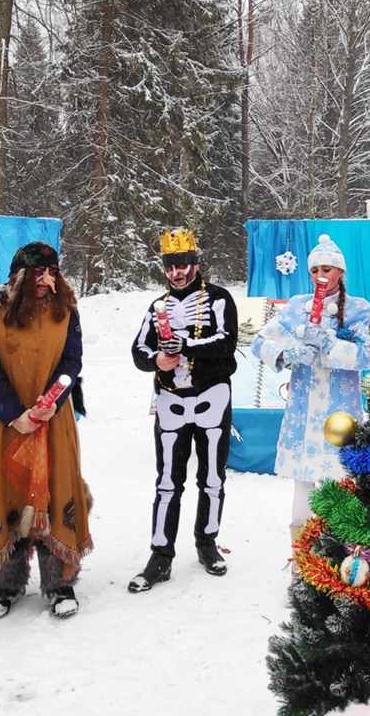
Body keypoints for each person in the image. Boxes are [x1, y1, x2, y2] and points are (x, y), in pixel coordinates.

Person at [0, 241, 90, 620]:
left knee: (55, 489)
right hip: (4, 422)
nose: (48, 280)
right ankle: (6, 584)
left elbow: (72, 360)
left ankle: (59, 583)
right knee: (5, 490)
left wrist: (54, 398)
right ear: (19, 275)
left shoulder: (66, 309)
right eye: (38, 273)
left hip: (52, 420)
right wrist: (15, 413)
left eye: (53, 272)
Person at [253, 235, 370, 548]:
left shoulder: (359, 309)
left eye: (328, 268)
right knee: (302, 482)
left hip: (341, 411)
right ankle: (302, 557)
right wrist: (289, 354)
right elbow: (260, 342)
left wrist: (331, 346)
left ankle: (342, 552)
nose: (320, 275)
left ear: (341, 271)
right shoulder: (297, 306)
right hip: (303, 409)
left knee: (342, 480)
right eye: (315, 270)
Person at [129, 228, 239, 592]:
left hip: (212, 397)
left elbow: (226, 342)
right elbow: (138, 351)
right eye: (170, 265)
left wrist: (187, 345)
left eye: (183, 264)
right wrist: (157, 359)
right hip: (171, 400)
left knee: (211, 478)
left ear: (196, 262)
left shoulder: (219, 298)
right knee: (166, 482)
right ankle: (160, 555)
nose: (177, 272)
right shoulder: (156, 307)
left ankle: (206, 543)